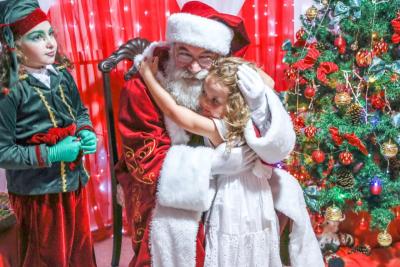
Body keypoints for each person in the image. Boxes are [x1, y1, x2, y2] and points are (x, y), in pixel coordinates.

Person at [116, 1, 323, 267]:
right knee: (174, 227)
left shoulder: (223, 81)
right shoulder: (141, 88)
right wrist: (210, 166)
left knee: (288, 193)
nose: (194, 67)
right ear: (171, 47)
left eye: (204, 57)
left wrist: (260, 103)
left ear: (218, 56)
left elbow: (268, 100)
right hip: (168, 181)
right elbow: (144, 163)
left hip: (238, 181)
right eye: (184, 54)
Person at [139, 55, 282, 266]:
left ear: (235, 105)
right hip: (258, 192)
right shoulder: (251, 118)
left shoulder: (219, 127)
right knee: (254, 244)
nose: (205, 102)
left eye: (215, 100)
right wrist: (230, 65)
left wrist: (148, 76)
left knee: (231, 244)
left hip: (233, 196)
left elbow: (174, 112)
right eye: (205, 93)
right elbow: (269, 82)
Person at [0, 1, 97, 266]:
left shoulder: (62, 75)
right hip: (37, 197)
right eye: (37, 37)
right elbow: (3, 152)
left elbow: (79, 112)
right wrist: (52, 152)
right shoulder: (10, 90)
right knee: (46, 258)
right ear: (16, 46)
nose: (50, 43)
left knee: (78, 253)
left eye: (51, 33)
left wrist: (86, 131)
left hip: (74, 185)